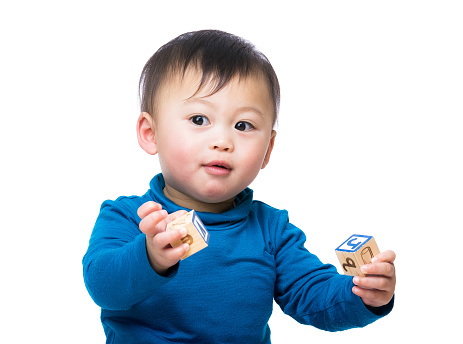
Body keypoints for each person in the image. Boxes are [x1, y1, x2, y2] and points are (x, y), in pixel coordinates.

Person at [83, 29, 396, 344]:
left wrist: (362, 294)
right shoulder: (129, 216)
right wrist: (150, 256)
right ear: (150, 133)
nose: (222, 141)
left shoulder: (272, 230)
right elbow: (103, 286)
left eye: (243, 125)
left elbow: (311, 294)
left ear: (268, 149)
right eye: (199, 120)